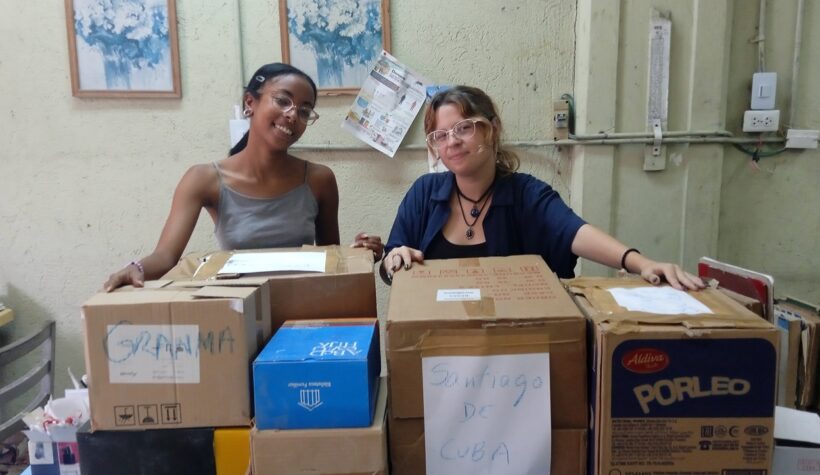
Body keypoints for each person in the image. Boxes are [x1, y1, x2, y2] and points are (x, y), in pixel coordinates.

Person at [381, 85, 704, 290]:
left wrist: (642, 263)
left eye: (464, 128)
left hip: (515, 348)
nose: (452, 142)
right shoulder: (424, 193)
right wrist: (393, 259)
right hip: (434, 345)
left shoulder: (526, 194)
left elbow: (574, 231)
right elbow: (388, 264)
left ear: (492, 130)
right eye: (441, 135)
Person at [105, 63, 383, 291]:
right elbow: (166, 256)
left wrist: (356, 251)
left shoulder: (319, 179)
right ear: (250, 103)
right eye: (283, 100)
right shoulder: (204, 178)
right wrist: (135, 269)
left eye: (304, 110)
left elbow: (328, 259)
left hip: (300, 310)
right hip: (238, 312)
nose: (292, 115)